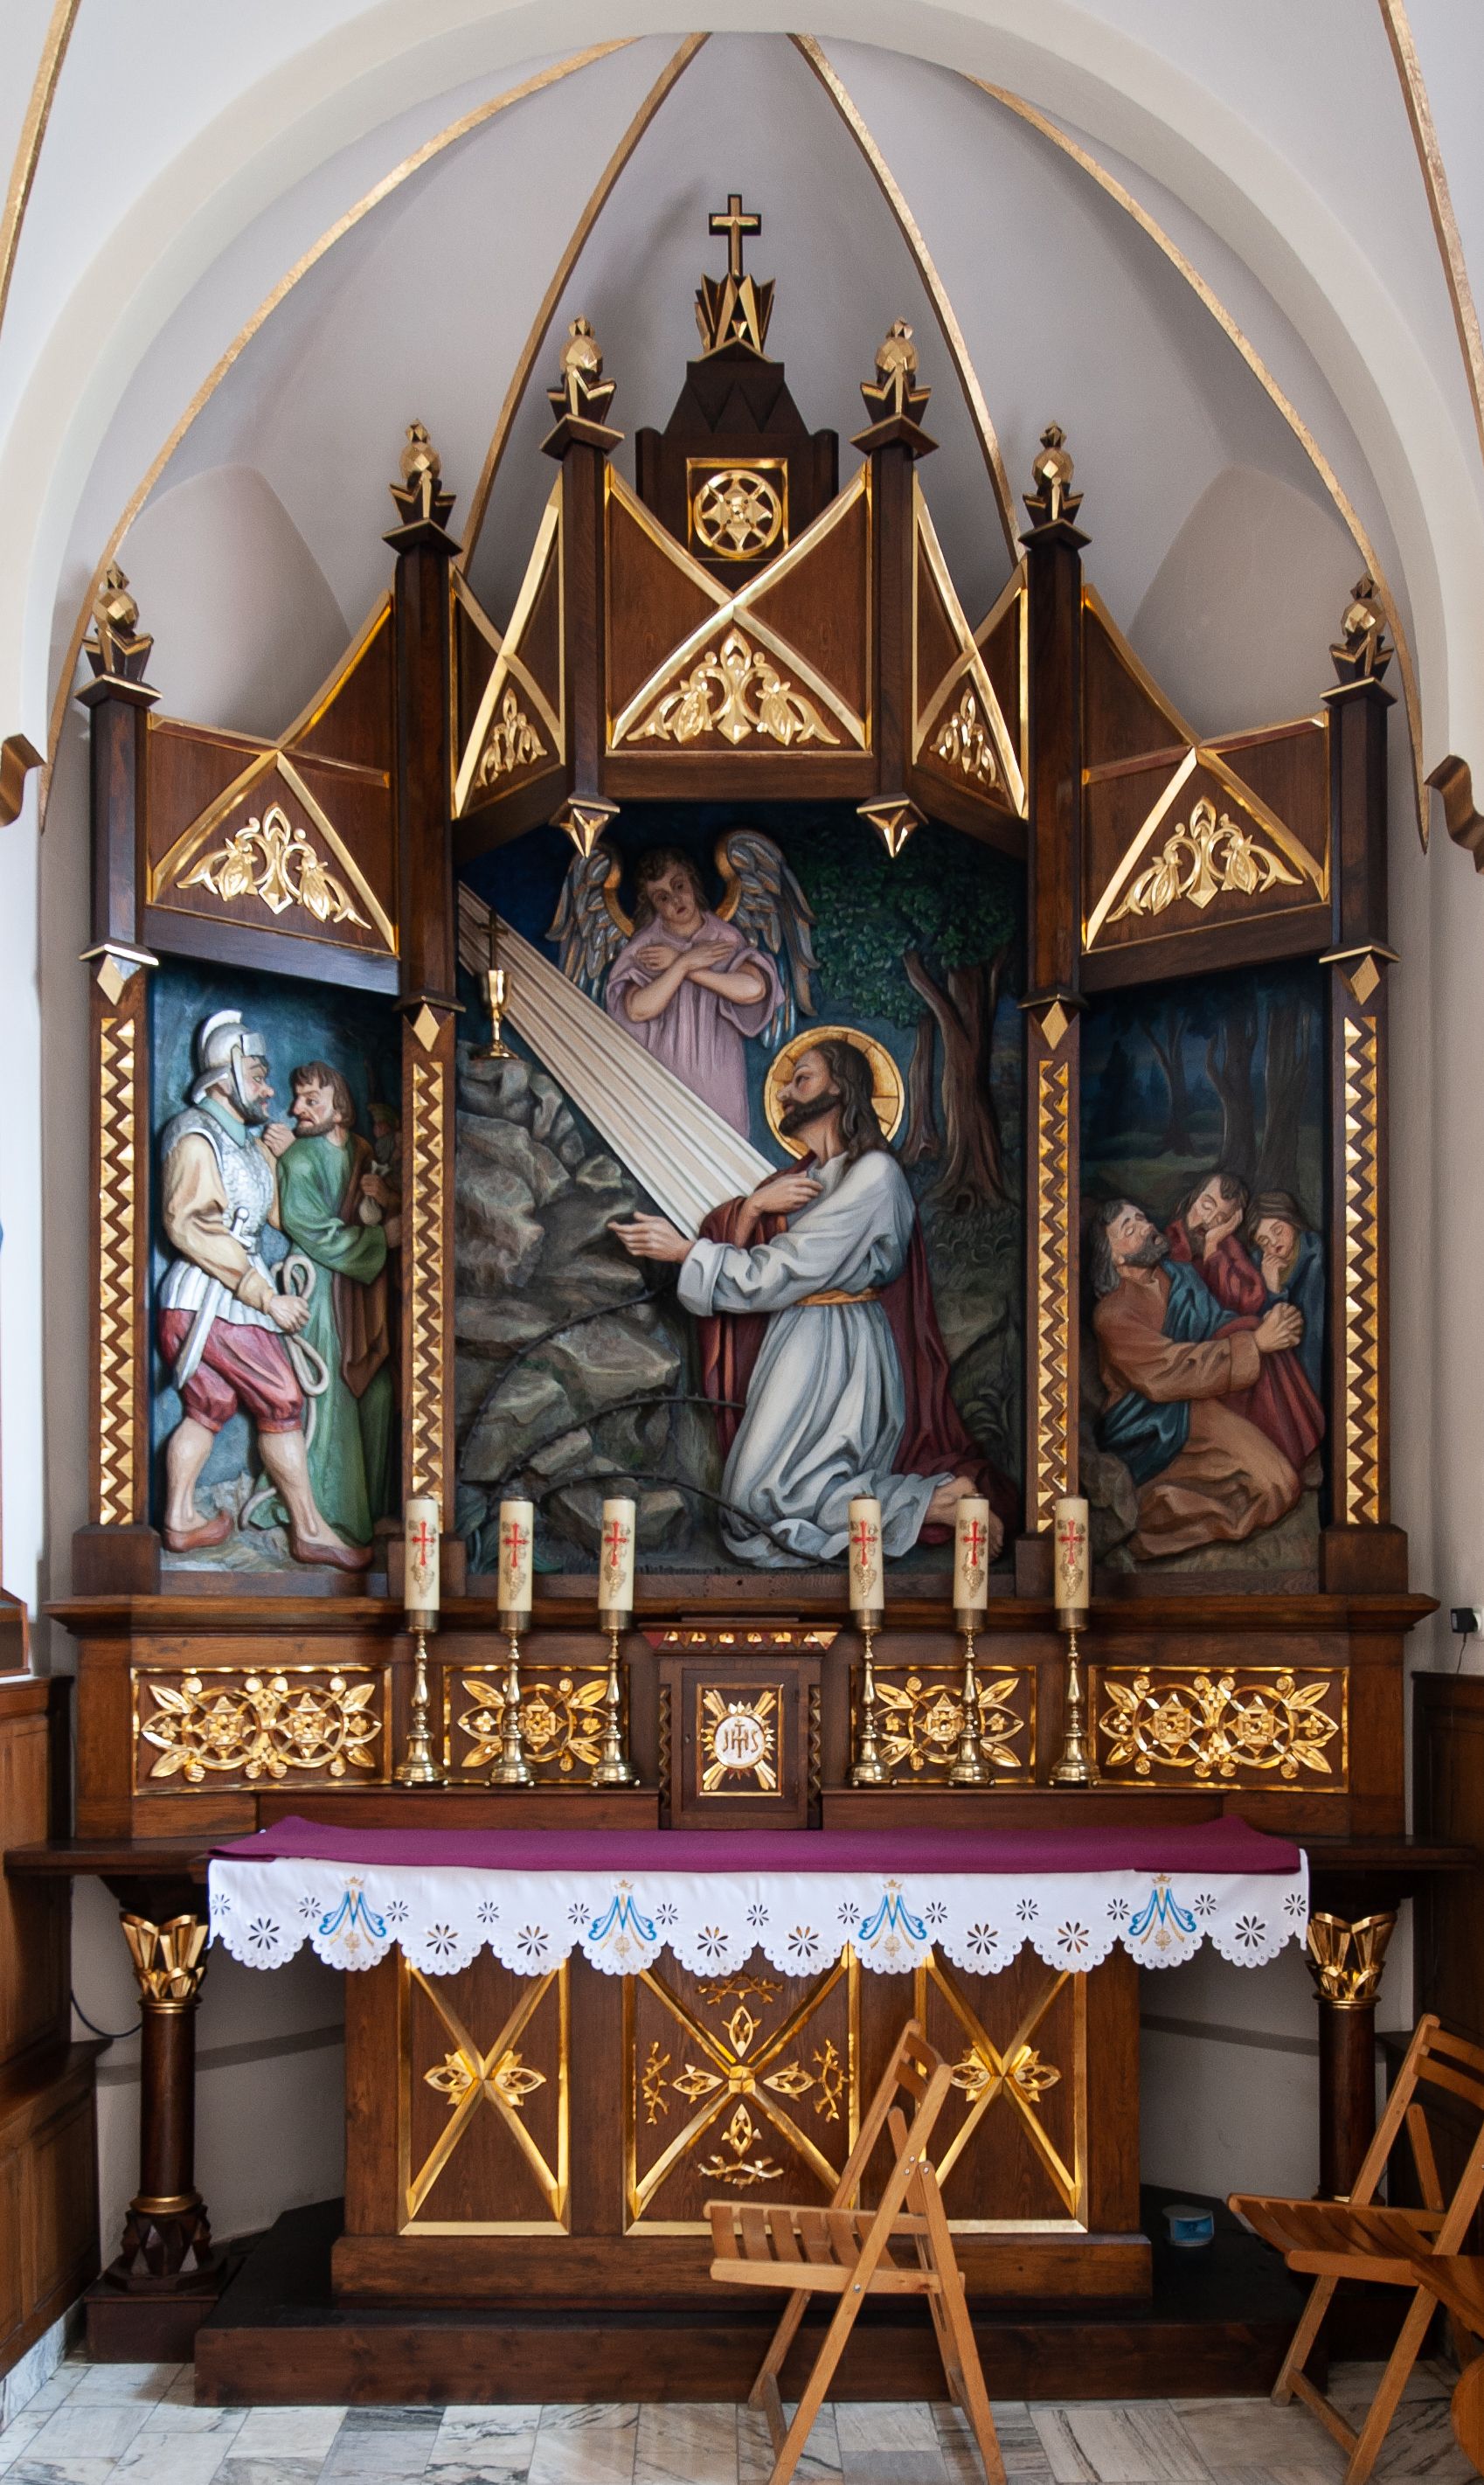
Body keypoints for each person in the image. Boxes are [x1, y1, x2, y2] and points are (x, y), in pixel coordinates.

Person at [612, 1037, 1016, 1566]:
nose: (784, 1093)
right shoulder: (800, 1180)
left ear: (841, 1089)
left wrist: (686, 1252)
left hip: (840, 1350)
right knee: (751, 1508)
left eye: (801, 1079)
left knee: (761, 1506)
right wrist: (753, 1207)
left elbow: (785, 1267)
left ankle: (933, 1501)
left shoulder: (875, 1175)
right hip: (797, 1342)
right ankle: (932, 1503)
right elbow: (762, 1253)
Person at [156, 1010, 369, 1569]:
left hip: (221, 1303)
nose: (269, 1089)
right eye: (257, 1076)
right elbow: (192, 1225)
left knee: (210, 1406)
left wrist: (277, 1158)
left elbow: (274, 1218)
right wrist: (265, 1295)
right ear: (224, 1078)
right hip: (212, 1300)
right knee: (283, 1399)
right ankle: (309, 1530)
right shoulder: (196, 1136)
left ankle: (179, 1519)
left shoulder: (246, 1145)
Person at [1091, 1197, 1304, 1561]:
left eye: (1141, 1217)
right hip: (1152, 1422)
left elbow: (1216, 1324)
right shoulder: (1113, 1314)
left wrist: (1262, 1325)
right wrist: (1254, 1344)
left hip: (1201, 1394)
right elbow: (1165, 1373)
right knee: (1275, 1488)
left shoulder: (1180, 1276)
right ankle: (1148, 1524)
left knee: (1283, 1483)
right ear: (1115, 1258)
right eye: (1129, 1228)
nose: (1145, 1226)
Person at [276, 1060, 399, 1548]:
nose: (297, 1109)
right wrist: (382, 1241)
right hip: (322, 1289)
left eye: (311, 1100)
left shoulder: (363, 1151)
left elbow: (383, 1205)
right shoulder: (298, 1159)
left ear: (340, 1107)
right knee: (332, 1399)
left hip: (362, 1295)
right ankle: (335, 1521)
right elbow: (310, 1228)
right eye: (297, 1099)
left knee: (381, 1394)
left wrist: (386, 1198)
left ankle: (376, 1513)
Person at [604, 848, 780, 1135]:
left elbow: (753, 989)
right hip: (668, 1072)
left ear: (693, 882)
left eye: (679, 886)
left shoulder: (724, 937)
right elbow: (636, 1009)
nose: (675, 900)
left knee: (726, 1148)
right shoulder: (645, 947)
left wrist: (684, 963)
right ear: (652, 905)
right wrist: (684, 963)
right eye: (662, 897)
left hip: (719, 1073)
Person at [1168, 1170, 1323, 1471]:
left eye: (1222, 1217)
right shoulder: (1169, 1243)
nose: (1209, 1219)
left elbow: (1249, 1299)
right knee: (1251, 1335)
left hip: (1227, 1337)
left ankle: (1291, 1445)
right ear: (1193, 1199)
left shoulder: (1227, 1246)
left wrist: (1215, 1247)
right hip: (1193, 1344)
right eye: (1207, 1204)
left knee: (1255, 1333)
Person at [1248, 1191, 1325, 1399]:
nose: (1273, 1242)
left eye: (1278, 1230)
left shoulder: (1316, 1258)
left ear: (1292, 1220)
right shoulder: (1258, 1265)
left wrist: (1275, 1294)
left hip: (1307, 1366)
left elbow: (1297, 1335)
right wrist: (1271, 1288)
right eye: (1264, 1240)